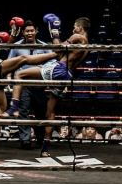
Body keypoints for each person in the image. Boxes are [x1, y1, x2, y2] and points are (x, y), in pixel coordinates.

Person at [8, 16, 91, 156]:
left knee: (20, 73)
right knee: (50, 112)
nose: (73, 29)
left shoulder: (77, 37)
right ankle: (45, 148)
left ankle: (13, 107)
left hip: (59, 69)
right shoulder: (87, 44)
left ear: (80, 27)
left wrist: (55, 32)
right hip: (67, 75)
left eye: (74, 27)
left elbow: (58, 50)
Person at [0, 8, 39, 153]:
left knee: (1, 107)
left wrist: (13, 33)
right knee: (23, 59)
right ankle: (53, 57)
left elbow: (7, 44)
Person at [6, 20, 51, 149]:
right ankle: (25, 140)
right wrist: (8, 79)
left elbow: (51, 63)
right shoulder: (16, 46)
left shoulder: (44, 46)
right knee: (23, 111)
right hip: (23, 84)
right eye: (27, 31)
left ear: (36, 31)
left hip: (39, 84)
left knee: (41, 112)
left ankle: (40, 138)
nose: (30, 33)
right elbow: (9, 63)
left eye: (32, 31)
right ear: (23, 33)